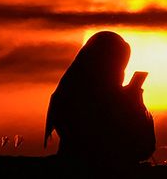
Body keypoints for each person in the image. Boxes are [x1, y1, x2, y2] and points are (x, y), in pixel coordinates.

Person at [44, 31, 155, 168]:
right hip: (89, 169)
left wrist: (133, 98)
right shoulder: (76, 96)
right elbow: (139, 147)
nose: (121, 72)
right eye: (119, 65)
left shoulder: (66, 91)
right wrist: (133, 105)